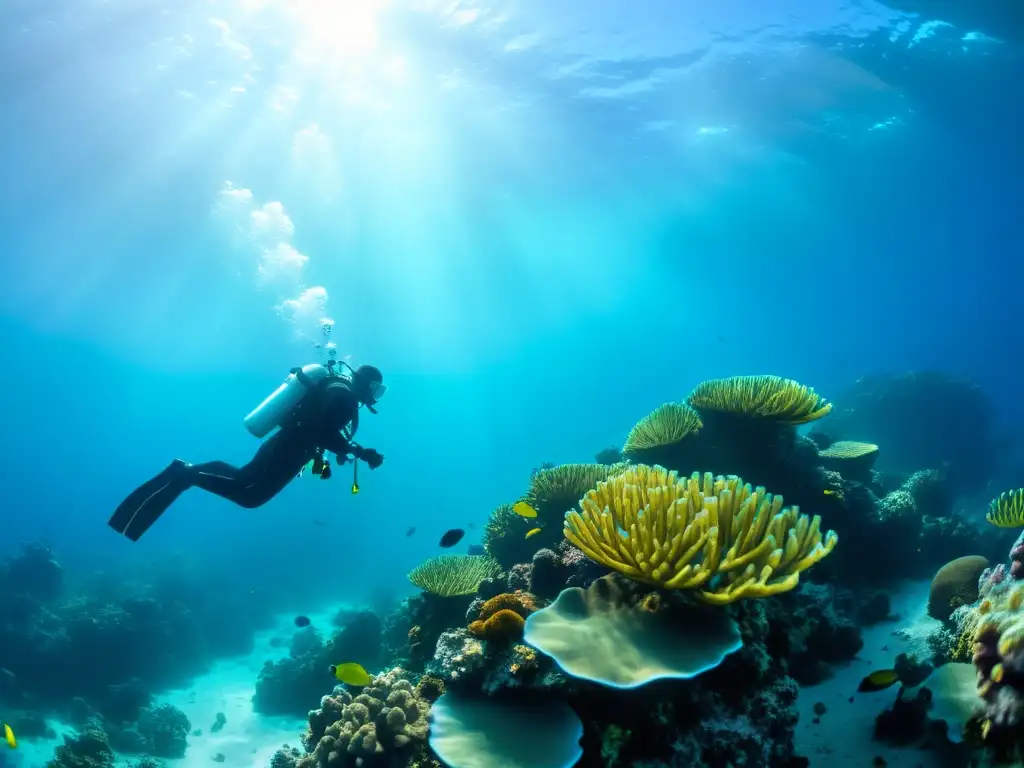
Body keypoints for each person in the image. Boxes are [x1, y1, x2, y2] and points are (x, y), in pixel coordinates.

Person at [108, 363, 387, 542]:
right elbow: (323, 431)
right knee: (252, 496)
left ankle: (187, 470)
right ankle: (187, 475)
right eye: (376, 388)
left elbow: (322, 427)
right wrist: (359, 451)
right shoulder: (345, 397)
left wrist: (344, 448)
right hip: (291, 449)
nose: (376, 395)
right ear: (363, 382)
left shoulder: (337, 389)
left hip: (283, 442)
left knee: (244, 476)